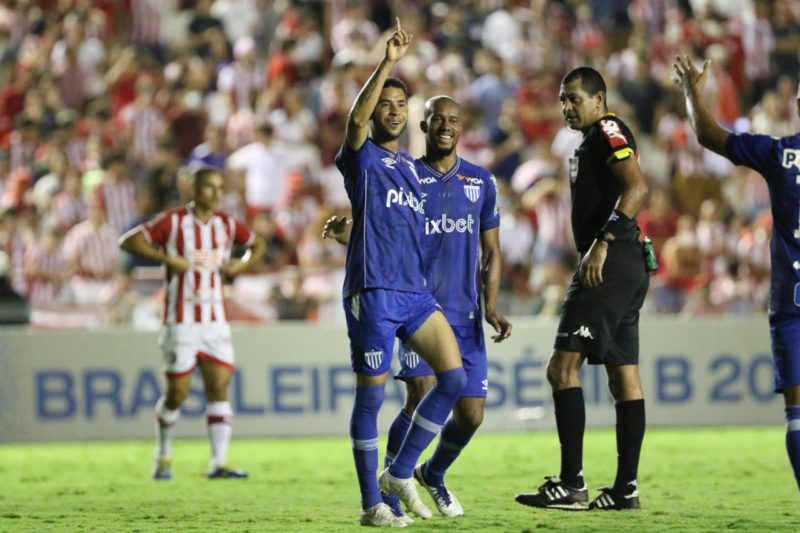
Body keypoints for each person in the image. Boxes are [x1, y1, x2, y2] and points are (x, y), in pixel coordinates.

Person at [325, 95, 513, 519]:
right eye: (437, 119)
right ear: (423, 126)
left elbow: (491, 251)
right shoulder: (405, 170)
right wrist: (351, 234)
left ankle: (425, 473)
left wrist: (492, 305)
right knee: (417, 393)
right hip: (402, 297)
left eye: (454, 120)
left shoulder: (477, 181)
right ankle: (384, 493)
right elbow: (382, 220)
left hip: (456, 309)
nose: (446, 126)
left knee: (470, 412)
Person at [334, 18, 466, 527]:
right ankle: (371, 505)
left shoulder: (411, 168)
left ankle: (400, 473)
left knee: (451, 379)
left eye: (399, 105)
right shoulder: (361, 157)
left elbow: (393, 225)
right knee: (371, 395)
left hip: (414, 293)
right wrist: (387, 62)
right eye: (385, 105)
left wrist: (350, 228)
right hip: (373, 292)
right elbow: (354, 124)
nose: (392, 111)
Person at [515, 66, 650, 511]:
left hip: (610, 262)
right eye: (562, 99)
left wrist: (602, 244)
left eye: (574, 98)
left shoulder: (608, 128)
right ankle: (625, 489)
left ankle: (572, 483)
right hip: (628, 264)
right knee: (623, 376)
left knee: (561, 369)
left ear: (599, 98)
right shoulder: (587, 141)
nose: (566, 107)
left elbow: (637, 188)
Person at [673, 55, 800, 490]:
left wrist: (693, 90)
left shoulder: (780, 154)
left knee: (797, 414)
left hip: (789, 303)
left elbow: (709, 135)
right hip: (787, 304)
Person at [119, 167, 266, 481]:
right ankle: (163, 455)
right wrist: (168, 260)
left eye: (218, 188)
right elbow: (129, 242)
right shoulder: (173, 222)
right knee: (178, 394)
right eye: (208, 187)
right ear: (193, 190)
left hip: (215, 321)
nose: (214, 193)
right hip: (180, 320)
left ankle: (218, 463)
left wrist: (239, 265)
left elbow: (258, 245)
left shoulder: (226, 224)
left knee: (219, 389)